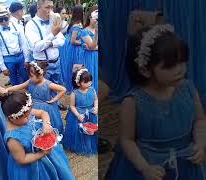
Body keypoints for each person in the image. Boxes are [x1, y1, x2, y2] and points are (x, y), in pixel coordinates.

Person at [107, 24, 206, 179]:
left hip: (187, 163)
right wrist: (145, 168)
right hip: (150, 166)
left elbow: (200, 120)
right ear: (145, 70)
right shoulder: (133, 102)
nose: (180, 69)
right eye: (170, 66)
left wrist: (200, 143)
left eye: (182, 62)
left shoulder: (188, 88)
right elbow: (127, 140)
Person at [0, 91, 75, 180]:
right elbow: (22, 159)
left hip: (49, 154)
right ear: (11, 118)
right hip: (34, 165)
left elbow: (43, 113)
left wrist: (46, 124)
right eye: (25, 117)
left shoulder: (25, 112)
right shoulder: (12, 138)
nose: (29, 118)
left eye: (29, 114)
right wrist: (42, 154)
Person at [5, 62, 66, 134]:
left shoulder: (48, 84)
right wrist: (8, 89)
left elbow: (63, 89)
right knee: (35, 126)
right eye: (29, 76)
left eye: (32, 76)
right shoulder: (30, 82)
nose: (30, 78)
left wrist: (54, 99)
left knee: (50, 124)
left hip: (46, 108)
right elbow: (20, 86)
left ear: (40, 75)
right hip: (33, 107)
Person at [24, 0, 65, 85]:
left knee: (56, 87)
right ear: (38, 7)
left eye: (52, 7)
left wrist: (50, 43)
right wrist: (53, 34)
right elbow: (36, 47)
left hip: (57, 62)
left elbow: (62, 40)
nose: (50, 10)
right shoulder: (30, 25)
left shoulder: (53, 21)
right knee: (44, 89)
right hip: (42, 64)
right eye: (47, 7)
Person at [62, 68, 98, 155]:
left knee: (91, 130)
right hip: (79, 115)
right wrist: (78, 115)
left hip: (91, 113)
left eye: (90, 81)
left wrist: (96, 107)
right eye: (86, 82)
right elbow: (72, 106)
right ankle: (80, 145)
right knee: (80, 131)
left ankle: (90, 143)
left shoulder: (92, 90)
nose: (89, 83)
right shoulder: (74, 93)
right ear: (78, 82)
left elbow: (96, 99)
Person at [0, 5, 30, 86]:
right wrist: (3, 67)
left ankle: (29, 95)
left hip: (20, 56)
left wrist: (27, 59)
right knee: (14, 80)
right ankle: (17, 96)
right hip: (8, 59)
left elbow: (24, 43)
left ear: (9, 16)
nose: (3, 22)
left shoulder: (17, 27)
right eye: (0, 20)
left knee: (25, 77)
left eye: (5, 19)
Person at [60, 5, 84, 93]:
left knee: (71, 67)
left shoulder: (73, 23)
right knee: (74, 67)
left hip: (72, 49)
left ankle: (72, 85)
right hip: (75, 49)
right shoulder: (77, 26)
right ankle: (73, 86)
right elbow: (73, 40)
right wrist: (82, 43)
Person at [78, 6, 99, 92]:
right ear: (90, 17)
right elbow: (92, 46)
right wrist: (97, 32)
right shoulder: (84, 31)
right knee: (91, 75)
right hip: (90, 57)